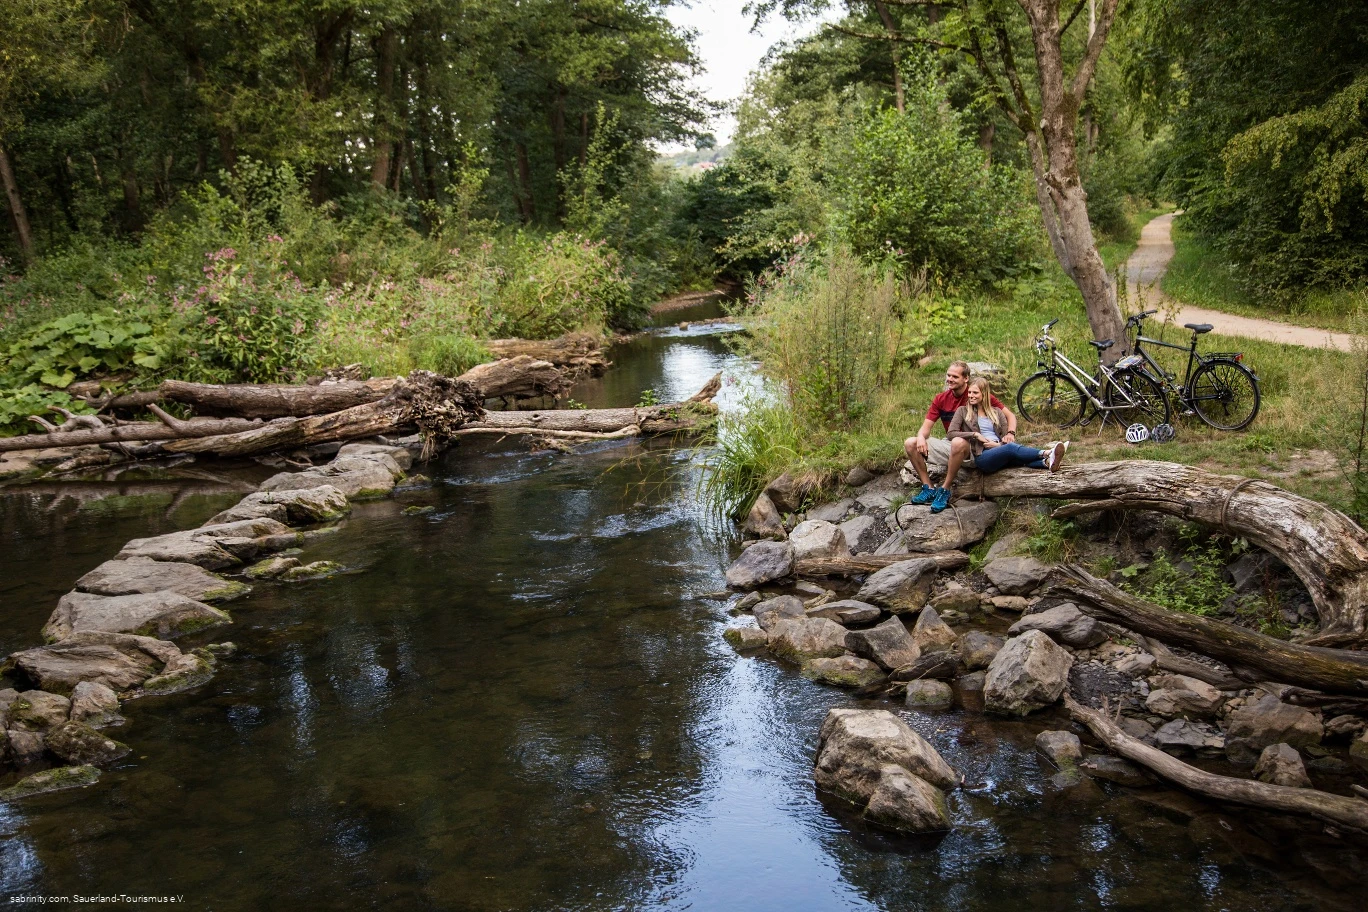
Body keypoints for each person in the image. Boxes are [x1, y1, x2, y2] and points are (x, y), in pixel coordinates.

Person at [904, 361, 1016, 514]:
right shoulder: (941, 399)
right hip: (952, 442)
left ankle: (945, 489)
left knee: (957, 442)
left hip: (975, 447)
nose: (949, 379)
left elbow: (1010, 416)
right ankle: (928, 488)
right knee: (911, 443)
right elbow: (925, 428)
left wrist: (1010, 433)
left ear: (966, 378)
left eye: (954, 376)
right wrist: (921, 437)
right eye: (948, 375)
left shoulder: (975, 394)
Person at [947, 378, 1068, 483]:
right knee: (1011, 449)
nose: (971, 395)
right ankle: (1047, 452)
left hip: (999, 449)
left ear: (984, 394)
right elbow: (951, 433)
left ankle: (1047, 463)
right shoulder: (963, 411)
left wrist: (998, 444)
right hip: (982, 456)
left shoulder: (997, 412)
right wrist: (975, 435)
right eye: (969, 392)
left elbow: (1006, 438)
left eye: (975, 393)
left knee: (1018, 458)